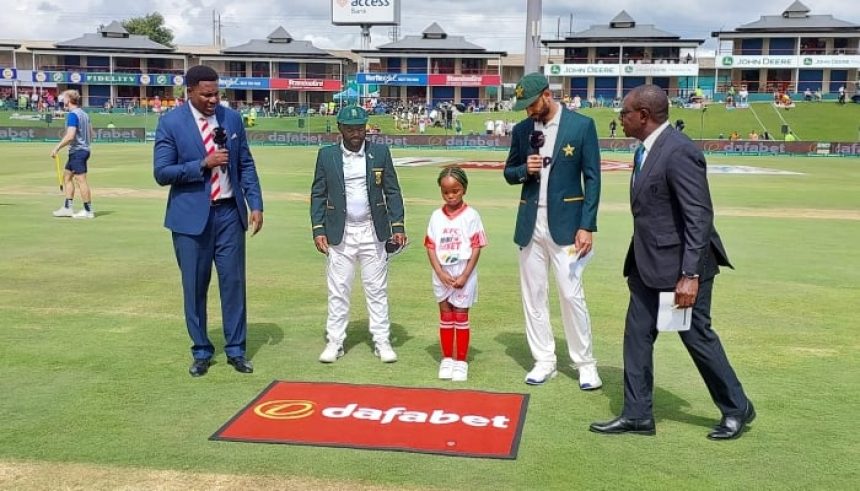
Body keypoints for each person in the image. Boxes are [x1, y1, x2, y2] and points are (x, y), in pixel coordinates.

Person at [590, 84, 754, 440]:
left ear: (644, 116)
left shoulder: (679, 152)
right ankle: (637, 415)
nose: (620, 118)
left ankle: (736, 408)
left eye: (625, 113)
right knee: (636, 337)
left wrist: (690, 275)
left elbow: (699, 217)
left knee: (696, 337)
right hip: (647, 267)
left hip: (683, 269)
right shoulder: (645, 151)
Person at [153, 65, 264, 377]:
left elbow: (245, 162)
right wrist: (203, 163)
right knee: (195, 286)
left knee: (233, 284)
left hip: (230, 213)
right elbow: (162, 173)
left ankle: (236, 351)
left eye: (217, 93)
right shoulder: (171, 123)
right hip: (191, 220)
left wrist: (255, 202)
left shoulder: (231, 118)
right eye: (206, 94)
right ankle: (201, 351)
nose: (214, 99)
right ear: (189, 92)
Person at [503, 73, 602, 389]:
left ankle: (585, 364)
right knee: (534, 296)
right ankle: (544, 360)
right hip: (530, 224)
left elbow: (593, 179)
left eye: (532, 104)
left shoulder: (581, 125)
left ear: (547, 94)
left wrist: (587, 225)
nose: (529, 111)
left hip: (568, 226)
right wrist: (524, 170)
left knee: (571, 296)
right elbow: (509, 172)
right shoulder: (521, 130)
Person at [310, 104, 406, 364]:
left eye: (360, 127)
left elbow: (393, 191)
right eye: (350, 128)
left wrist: (397, 226)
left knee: (376, 289)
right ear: (340, 128)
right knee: (338, 289)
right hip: (340, 232)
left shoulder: (380, 153)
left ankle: (382, 341)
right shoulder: (327, 155)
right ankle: (335, 342)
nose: (356, 133)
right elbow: (318, 193)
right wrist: (318, 229)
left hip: (373, 231)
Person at [425, 167, 488, 382]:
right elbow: (431, 246)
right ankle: (447, 359)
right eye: (446, 192)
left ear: (464, 189)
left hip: (463, 271)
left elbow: (477, 246)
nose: (451, 196)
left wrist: (465, 275)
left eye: (455, 191)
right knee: (445, 315)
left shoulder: (471, 216)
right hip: (442, 271)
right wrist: (440, 272)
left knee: (460, 315)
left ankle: (461, 361)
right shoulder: (436, 216)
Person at [51, 90, 95, 219]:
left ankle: (88, 210)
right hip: (81, 150)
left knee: (81, 180)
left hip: (78, 151)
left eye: (64, 98)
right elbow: (92, 134)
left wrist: (57, 147)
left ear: (69, 99)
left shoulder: (73, 115)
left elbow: (70, 136)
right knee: (67, 177)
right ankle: (67, 208)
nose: (62, 100)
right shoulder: (85, 114)